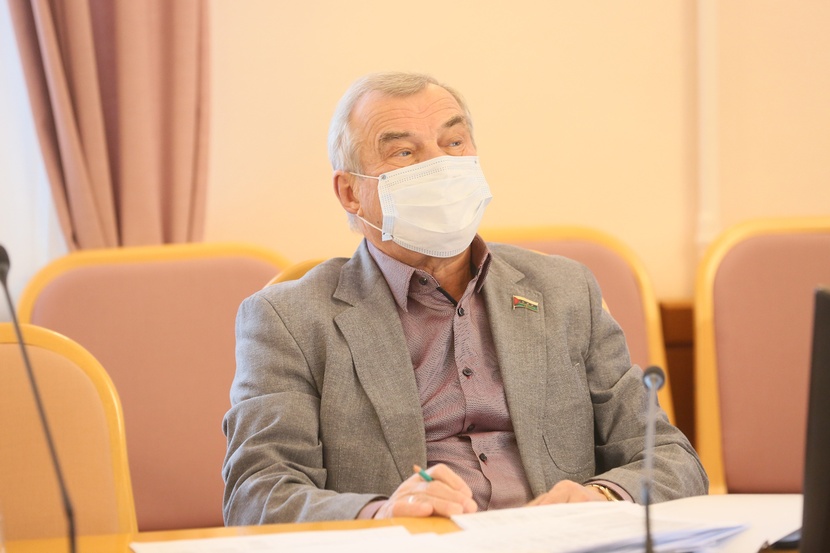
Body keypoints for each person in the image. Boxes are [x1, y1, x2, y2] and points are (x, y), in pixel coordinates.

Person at [222, 71, 708, 525]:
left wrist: (603, 497)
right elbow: (258, 493)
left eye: (453, 143)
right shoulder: (289, 320)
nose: (440, 165)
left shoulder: (564, 291)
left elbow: (670, 458)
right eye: (404, 153)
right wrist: (381, 515)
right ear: (350, 193)